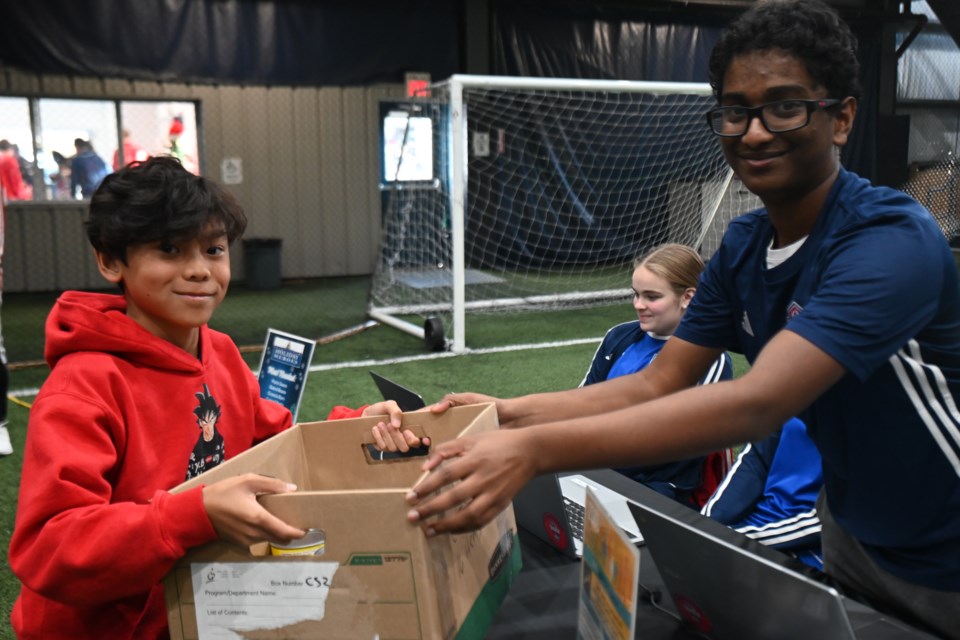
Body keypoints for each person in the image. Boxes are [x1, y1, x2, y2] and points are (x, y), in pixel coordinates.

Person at [393, 1, 960, 636]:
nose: (753, 132)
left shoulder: (889, 239)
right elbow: (654, 384)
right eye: (735, 110)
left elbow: (757, 403)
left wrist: (530, 450)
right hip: (854, 529)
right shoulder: (744, 246)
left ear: (842, 118)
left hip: (946, 540)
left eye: (785, 106)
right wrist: (503, 413)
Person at [8, 156, 404, 639]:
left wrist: (355, 424)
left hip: (199, 610)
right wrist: (191, 515)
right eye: (170, 249)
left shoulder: (219, 349)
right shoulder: (85, 386)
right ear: (111, 261)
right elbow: (49, 549)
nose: (199, 271)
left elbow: (274, 439)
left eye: (214, 250)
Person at [580, 243, 732, 506]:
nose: (638, 305)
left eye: (651, 297)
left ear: (688, 297)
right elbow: (581, 404)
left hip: (658, 488)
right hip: (598, 465)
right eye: (635, 294)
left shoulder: (710, 358)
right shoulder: (618, 337)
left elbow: (675, 445)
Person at [701, 417, 823, 570]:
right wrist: (707, 524)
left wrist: (738, 540)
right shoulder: (793, 396)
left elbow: (831, 523)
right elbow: (755, 460)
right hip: (750, 527)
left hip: (810, 549)